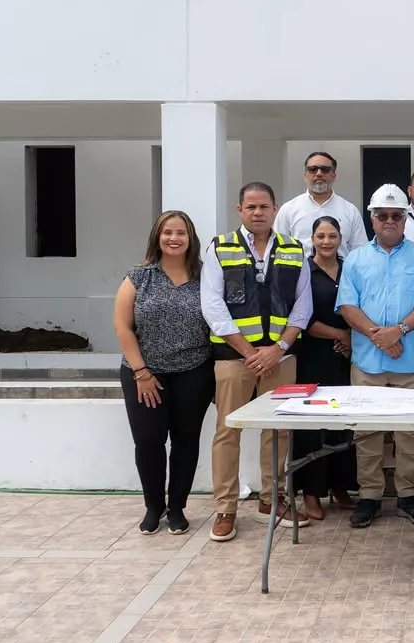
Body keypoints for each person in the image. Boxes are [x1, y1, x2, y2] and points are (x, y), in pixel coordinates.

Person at [202, 181, 314, 542]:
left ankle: (272, 498)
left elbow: (303, 306)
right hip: (235, 358)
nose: (258, 213)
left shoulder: (295, 249)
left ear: (275, 208)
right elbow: (213, 307)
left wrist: (278, 349)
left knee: (278, 431)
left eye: (264, 207)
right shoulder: (221, 248)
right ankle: (226, 508)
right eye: (250, 207)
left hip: (280, 356)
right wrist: (251, 353)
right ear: (240, 210)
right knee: (228, 431)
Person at [336, 184, 414, 529]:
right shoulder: (355, 258)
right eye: (383, 216)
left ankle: (409, 495)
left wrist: (399, 331)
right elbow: (347, 305)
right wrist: (379, 336)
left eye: (397, 216)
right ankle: (370, 497)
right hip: (367, 359)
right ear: (372, 218)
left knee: (411, 432)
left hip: (409, 358)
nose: (390, 221)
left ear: (405, 218)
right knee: (367, 433)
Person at [114, 210, 215, 536]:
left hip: (193, 372)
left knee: (185, 442)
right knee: (148, 441)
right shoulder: (139, 276)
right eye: (168, 232)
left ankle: (177, 508)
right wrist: (141, 373)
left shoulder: (206, 276)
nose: (174, 238)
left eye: (181, 233)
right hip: (145, 375)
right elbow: (123, 326)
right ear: (157, 237)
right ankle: (153, 506)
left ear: (191, 238)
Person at [290, 216, 358, 520]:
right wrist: (338, 334)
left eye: (332, 236)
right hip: (313, 355)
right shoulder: (304, 271)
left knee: (342, 421)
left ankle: (341, 487)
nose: (327, 242)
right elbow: (301, 316)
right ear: (312, 239)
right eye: (321, 236)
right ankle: (311, 492)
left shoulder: (350, 268)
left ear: (341, 238)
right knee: (311, 424)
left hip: (345, 356)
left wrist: (350, 338)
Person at [274, 151, 369, 257]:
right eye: (313, 169)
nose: (319, 173)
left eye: (325, 169)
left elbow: (360, 253)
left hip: (340, 273)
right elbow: (278, 248)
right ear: (305, 175)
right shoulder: (288, 209)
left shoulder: (350, 211)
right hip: (300, 273)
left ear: (333, 176)